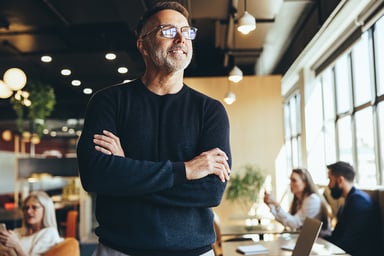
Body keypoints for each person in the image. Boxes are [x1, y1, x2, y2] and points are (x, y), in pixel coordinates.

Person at [76, 1, 231, 256]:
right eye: (168, 31)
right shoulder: (107, 102)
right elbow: (95, 176)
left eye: (187, 31)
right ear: (143, 45)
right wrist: (187, 170)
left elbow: (211, 192)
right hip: (119, 251)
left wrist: (126, 170)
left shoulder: (210, 111)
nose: (181, 38)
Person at [323, 161, 380, 256]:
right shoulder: (350, 200)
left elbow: (348, 242)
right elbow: (337, 235)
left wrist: (325, 251)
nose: (329, 185)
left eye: (330, 180)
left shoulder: (359, 202)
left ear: (340, 180)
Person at [264, 168, 331, 235]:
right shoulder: (298, 200)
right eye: (290, 180)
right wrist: (271, 205)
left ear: (305, 183)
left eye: (294, 180)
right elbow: (286, 221)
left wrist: (276, 205)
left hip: (320, 240)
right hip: (305, 238)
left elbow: (294, 224)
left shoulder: (312, 200)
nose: (290, 184)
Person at [0, 191, 62, 256]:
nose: (29, 211)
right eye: (26, 208)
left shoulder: (49, 233)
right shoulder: (17, 232)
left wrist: (16, 245)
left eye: (34, 207)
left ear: (46, 210)